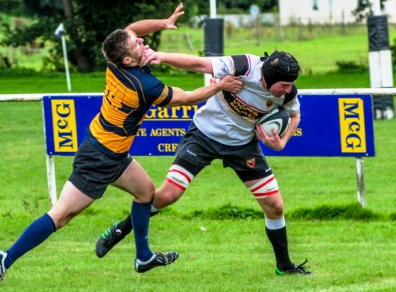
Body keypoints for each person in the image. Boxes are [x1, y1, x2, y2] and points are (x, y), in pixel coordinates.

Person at [0, 3, 243, 287]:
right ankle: (5, 258)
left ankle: (143, 257)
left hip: (112, 151)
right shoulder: (145, 86)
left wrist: (163, 22)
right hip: (99, 157)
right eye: (137, 46)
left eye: (139, 41)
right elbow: (188, 97)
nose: (142, 42)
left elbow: (132, 29)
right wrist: (220, 86)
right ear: (129, 61)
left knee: (145, 193)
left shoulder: (115, 61)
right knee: (60, 216)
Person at [95, 47, 313, 275]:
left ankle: (285, 266)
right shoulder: (244, 66)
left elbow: (294, 114)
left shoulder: (287, 92)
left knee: (275, 206)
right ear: (267, 77)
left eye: (291, 85)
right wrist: (161, 57)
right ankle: (121, 229)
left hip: (242, 146)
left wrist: (282, 142)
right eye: (284, 85)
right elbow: (199, 64)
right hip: (203, 136)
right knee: (168, 195)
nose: (289, 90)